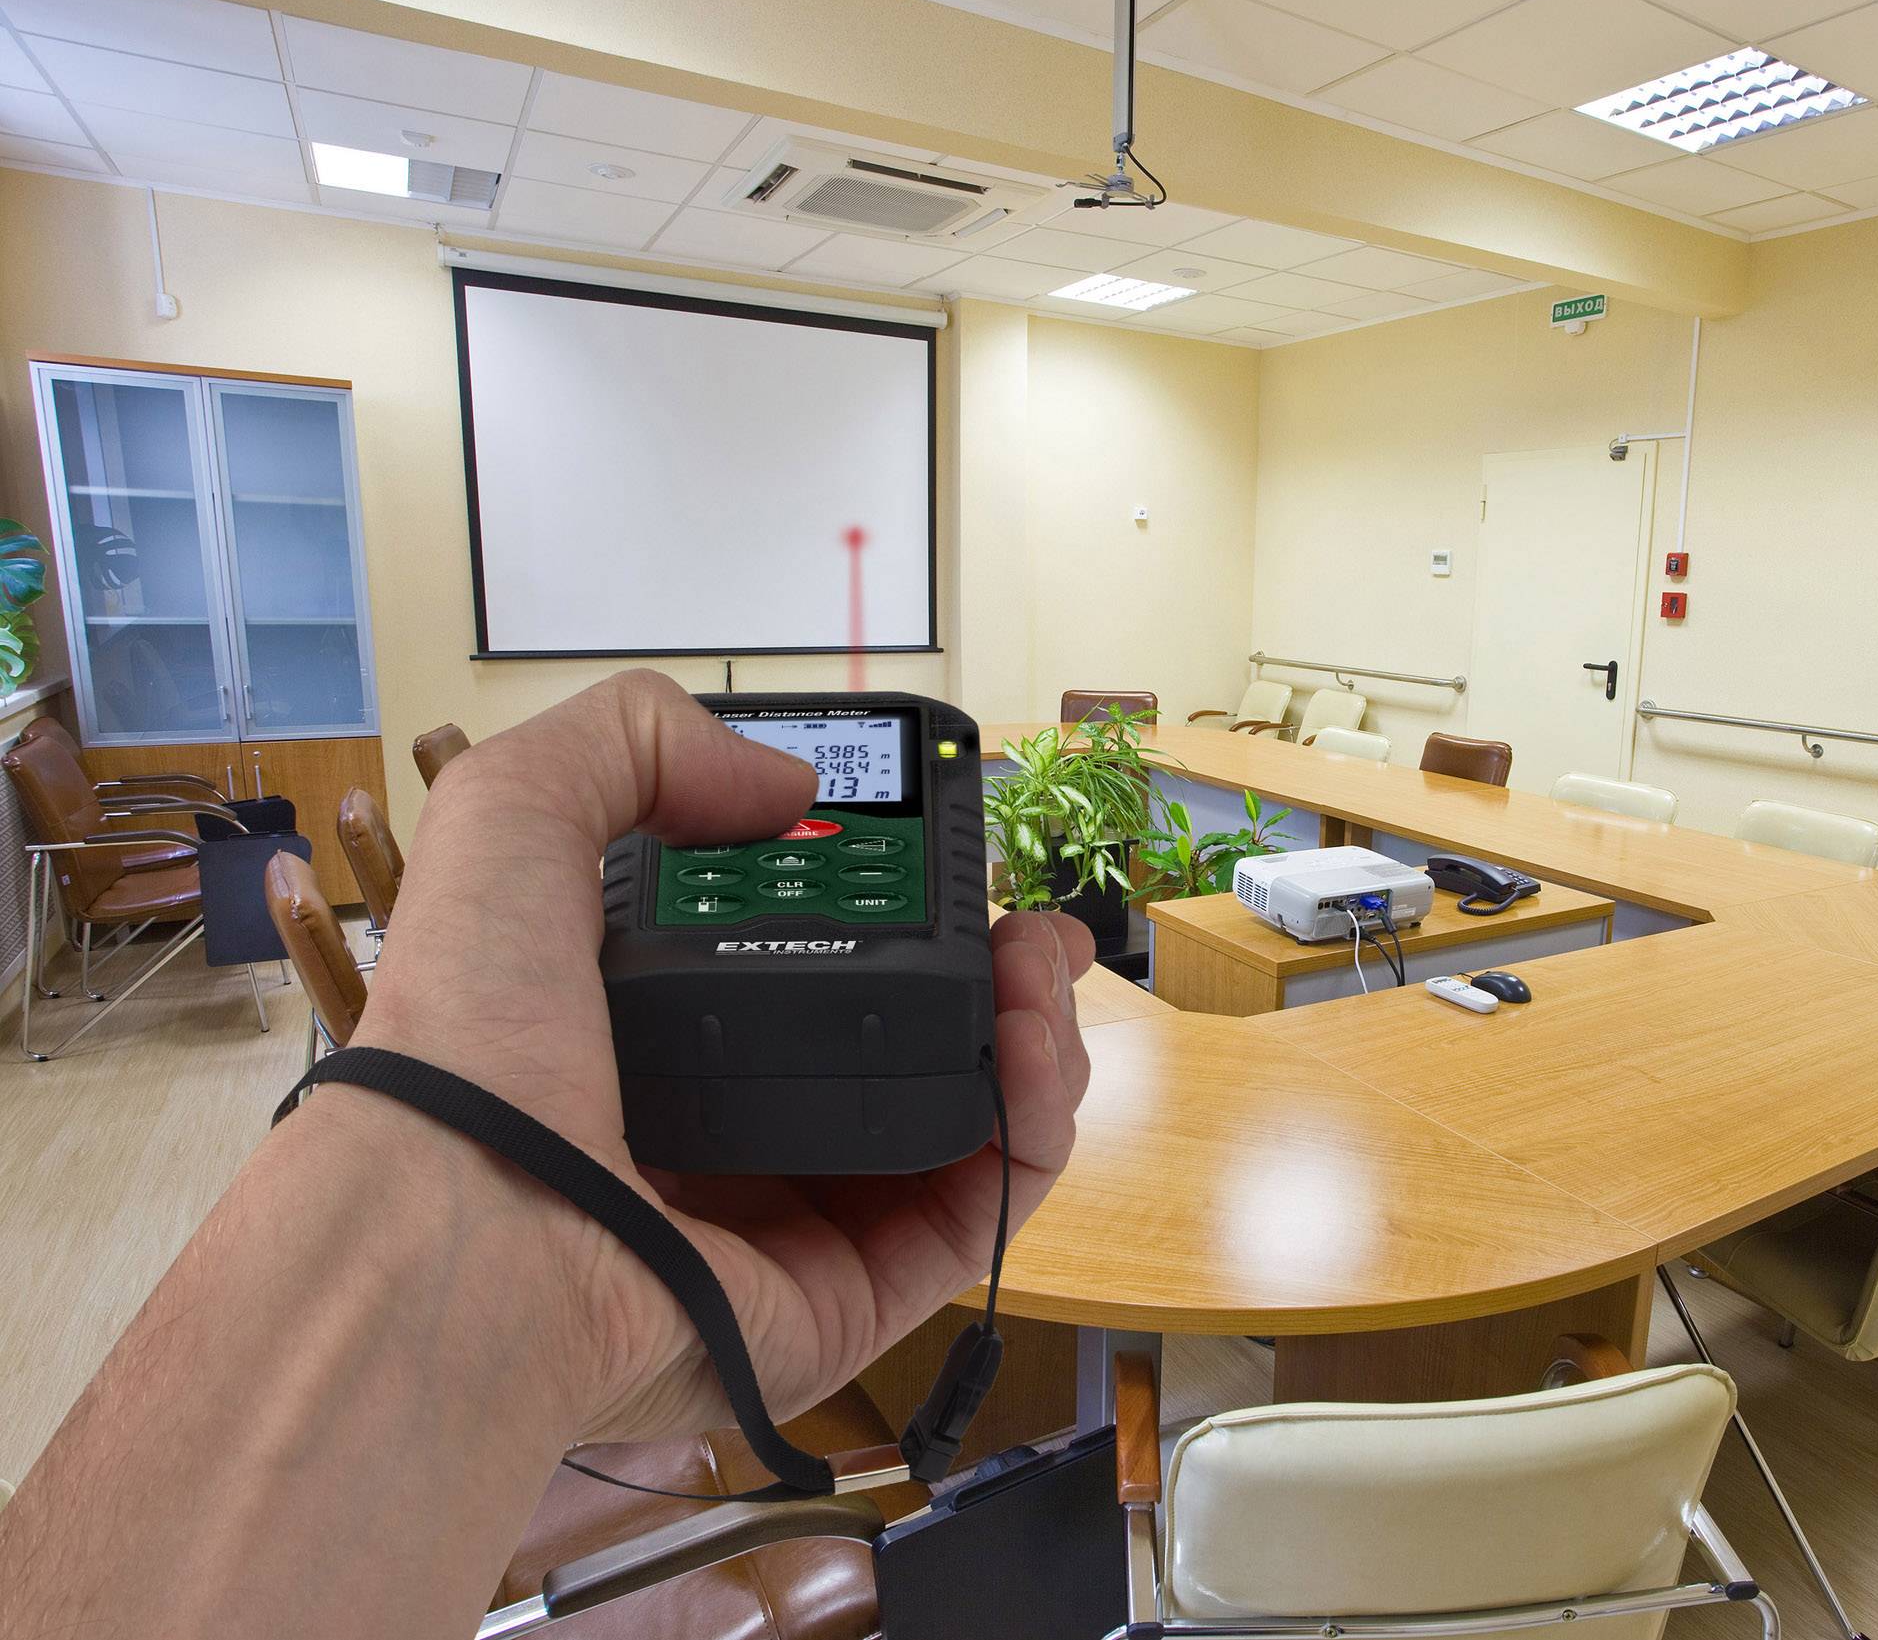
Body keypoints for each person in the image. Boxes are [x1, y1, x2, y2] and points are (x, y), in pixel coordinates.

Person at [0, 671, 1095, 1637]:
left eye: (846, 776)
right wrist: (499, 1240)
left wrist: (491, 1258)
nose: (810, 816)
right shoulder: (668, 820)